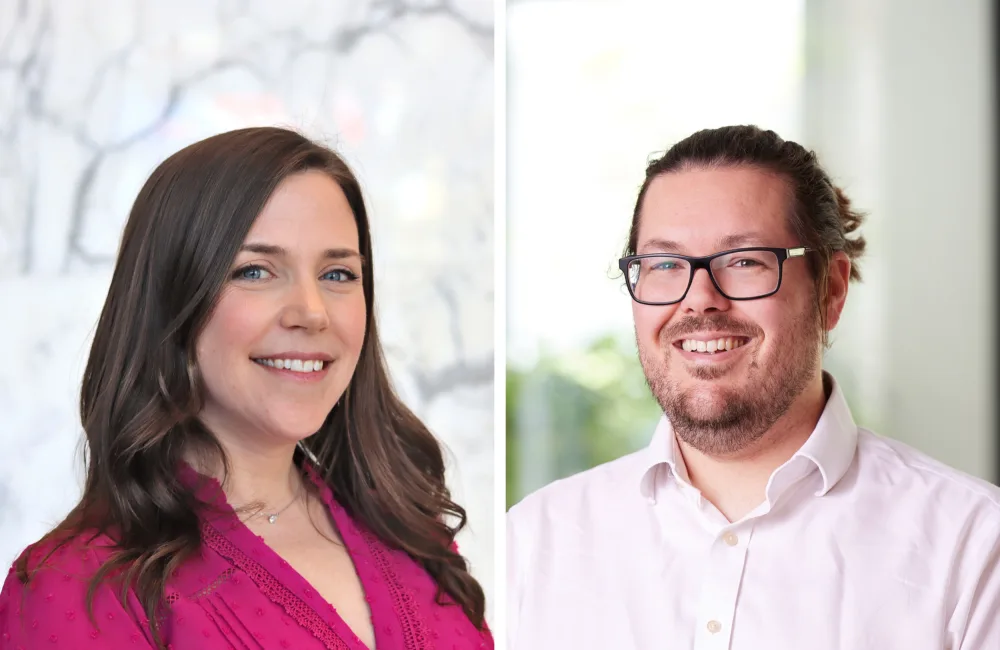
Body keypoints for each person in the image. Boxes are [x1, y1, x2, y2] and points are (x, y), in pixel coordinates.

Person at [506, 125, 1000, 649]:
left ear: (830, 290)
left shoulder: (973, 545)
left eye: (744, 261)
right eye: (665, 264)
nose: (700, 299)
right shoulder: (534, 541)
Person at [0, 127, 492, 650]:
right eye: (255, 271)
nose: (312, 312)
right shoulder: (79, 586)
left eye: (338, 274)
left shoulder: (413, 536)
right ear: (170, 300)